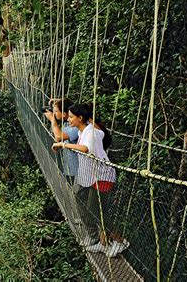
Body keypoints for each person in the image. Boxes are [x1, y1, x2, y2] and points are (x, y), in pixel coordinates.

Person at [51, 103, 129, 258]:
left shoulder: (89, 133)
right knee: (94, 212)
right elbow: (100, 134)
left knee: (97, 213)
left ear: (80, 118)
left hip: (102, 177)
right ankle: (104, 243)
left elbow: (86, 148)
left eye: (72, 116)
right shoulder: (86, 131)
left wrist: (63, 144)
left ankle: (120, 241)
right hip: (94, 177)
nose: (69, 119)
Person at [44, 98, 79, 184]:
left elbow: (59, 137)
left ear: (63, 114)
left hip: (77, 172)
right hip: (69, 167)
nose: (54, 113)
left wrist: (52, 119)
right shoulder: (67, 122)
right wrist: (58, 101)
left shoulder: (76, 125)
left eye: (56, 111)